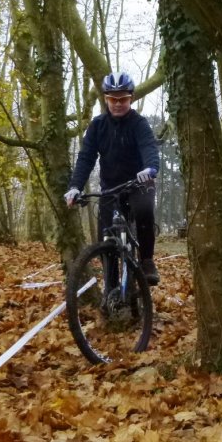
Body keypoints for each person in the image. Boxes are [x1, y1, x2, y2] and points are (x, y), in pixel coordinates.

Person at [64, 71, 161, 285]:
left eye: (123, 99)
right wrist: (75, 187)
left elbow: (149, 148)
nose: (118, 104)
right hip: (110, 187)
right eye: (113, 99)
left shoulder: (139, 123)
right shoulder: (97, 126)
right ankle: (111, 291)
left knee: (144, 210)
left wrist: (151, 168)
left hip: (138, 183)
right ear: (106, 99)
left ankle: (146, 261)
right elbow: (86, 158)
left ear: (131, 99)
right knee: (105, 239)